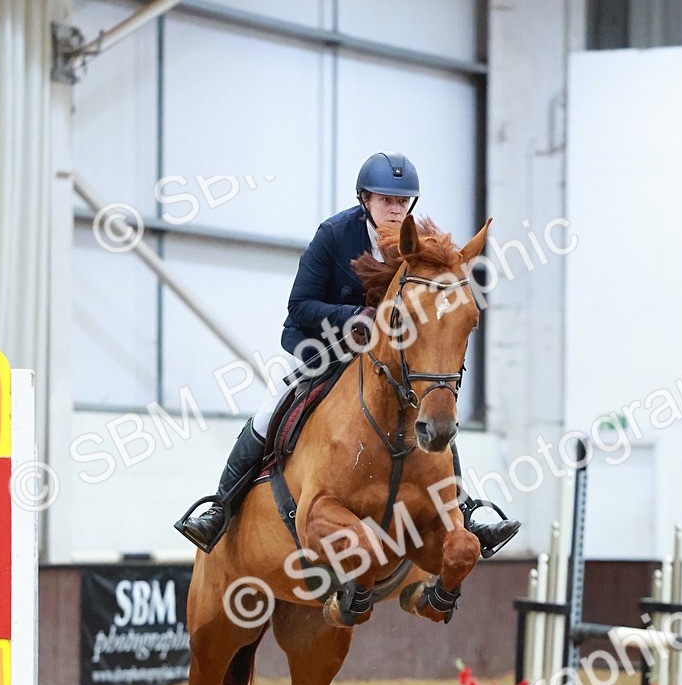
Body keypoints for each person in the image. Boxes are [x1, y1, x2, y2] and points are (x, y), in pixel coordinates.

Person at [175, 152, 519, 558]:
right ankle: (220, 507)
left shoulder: (417, 246)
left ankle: (465, 510)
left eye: (402, 201)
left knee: (432, 409)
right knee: (272, 407)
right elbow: (299, 306)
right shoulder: (334, 235)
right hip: (323, 347)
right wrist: (353, 316)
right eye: (385, 200)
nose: (395, 209)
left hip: (385, 361)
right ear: (365, 200)